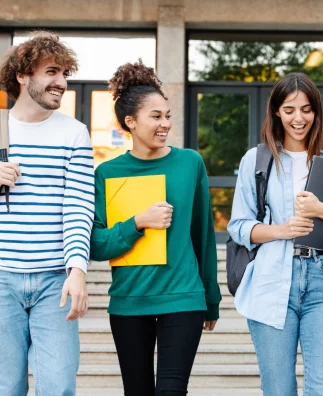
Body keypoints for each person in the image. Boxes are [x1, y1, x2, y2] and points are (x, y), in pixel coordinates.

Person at [0, 31, 93, 395]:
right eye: (52, 72)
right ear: (23, 76)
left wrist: (77, 270)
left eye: (64, 74)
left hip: (54, 279)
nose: (61, 82)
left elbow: (78, 207)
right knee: (6, 387)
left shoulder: (74, 133)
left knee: (57, 386)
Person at [228, 72, 323, 395]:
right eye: (290, 109)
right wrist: (281, 230)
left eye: (307, 109)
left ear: (317, 112)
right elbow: (238, 227)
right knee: (278, 389)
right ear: (276, 112)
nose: (299, 118)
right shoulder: (256, 160)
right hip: (271, 278)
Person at [89, 60, 221, 396]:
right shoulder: (107, 173)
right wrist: (137, 223)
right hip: (129, 301)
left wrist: (211, 298)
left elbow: (202, 235)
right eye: (155, 116)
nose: (165, 124)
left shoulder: (190, 163)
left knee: (171, 392)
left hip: (183, 297)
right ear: (130, 122)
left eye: (167, 115)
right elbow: (97, 245)